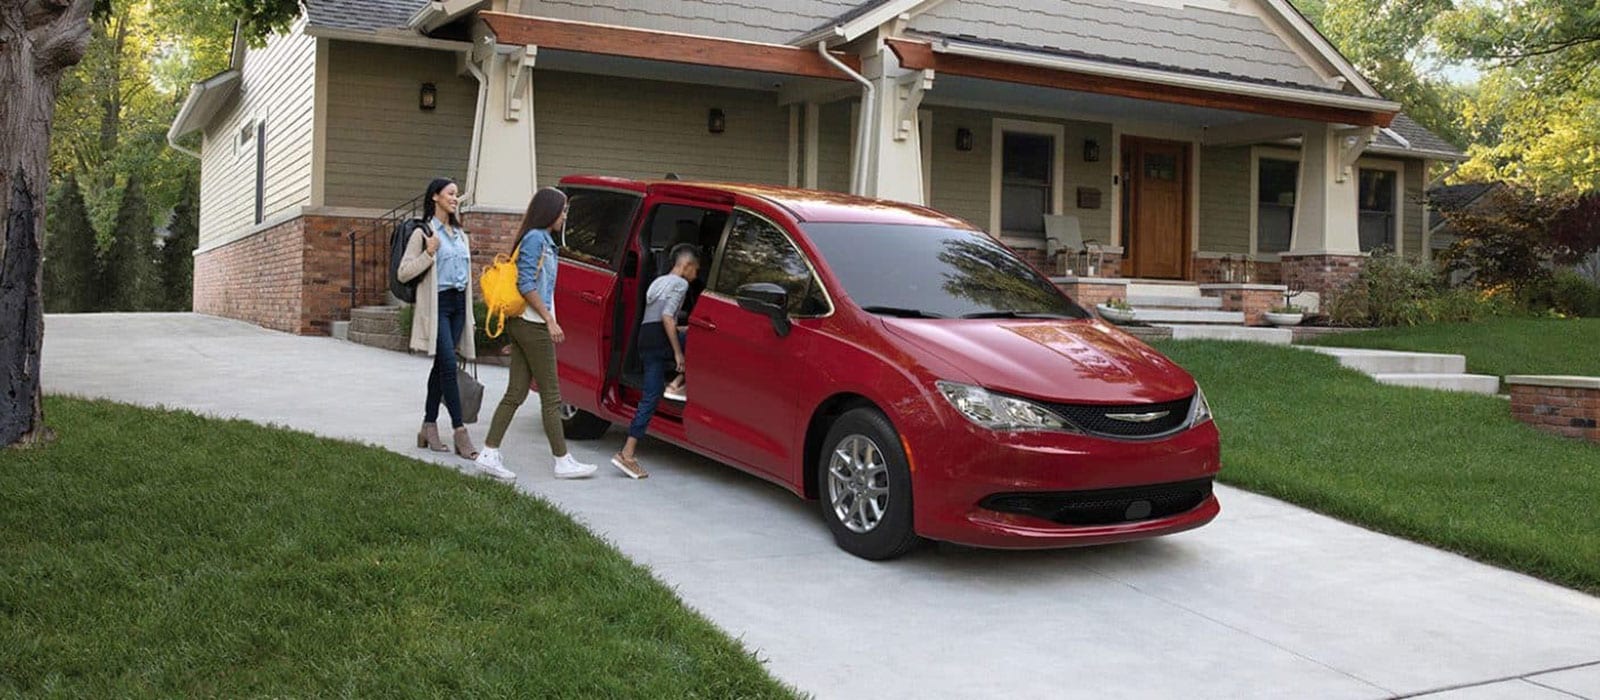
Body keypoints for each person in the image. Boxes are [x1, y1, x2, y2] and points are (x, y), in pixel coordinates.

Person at [475, 187, 598, 480]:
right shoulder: (535, 240)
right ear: (549, 211)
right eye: (563, 210)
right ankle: (562, 460)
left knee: (516, 392)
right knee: (552, 396)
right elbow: (526, 284)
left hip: (525, 324)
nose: (565, 216)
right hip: (532, 325)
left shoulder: (543, 240)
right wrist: (549, 320)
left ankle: (489, 453)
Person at [399, 178, 479, 460]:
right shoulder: (424, 233)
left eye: (457, 195)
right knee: (447, 366)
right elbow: (404, 272)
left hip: (458, 306)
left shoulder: (460, 235)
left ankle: (428, 426)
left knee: (442, 365)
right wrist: (429, 253)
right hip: (438, 306)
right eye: (450, 194)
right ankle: (460, 431)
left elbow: (466, 281)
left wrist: (469, 316)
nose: (455, 199)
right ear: (435, 197)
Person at [611, 244, 700, 479]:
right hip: (661, 338)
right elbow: (667, 317)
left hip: (645, 337)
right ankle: (679, 381)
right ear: (687, 265)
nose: (696, 276)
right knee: (697, 338)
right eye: (696, 270)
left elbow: (657, 319)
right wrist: (679, 354)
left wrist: (681, 330)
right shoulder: (680, 284)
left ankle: (628, 452)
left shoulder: (658, 281)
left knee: (650, 396)